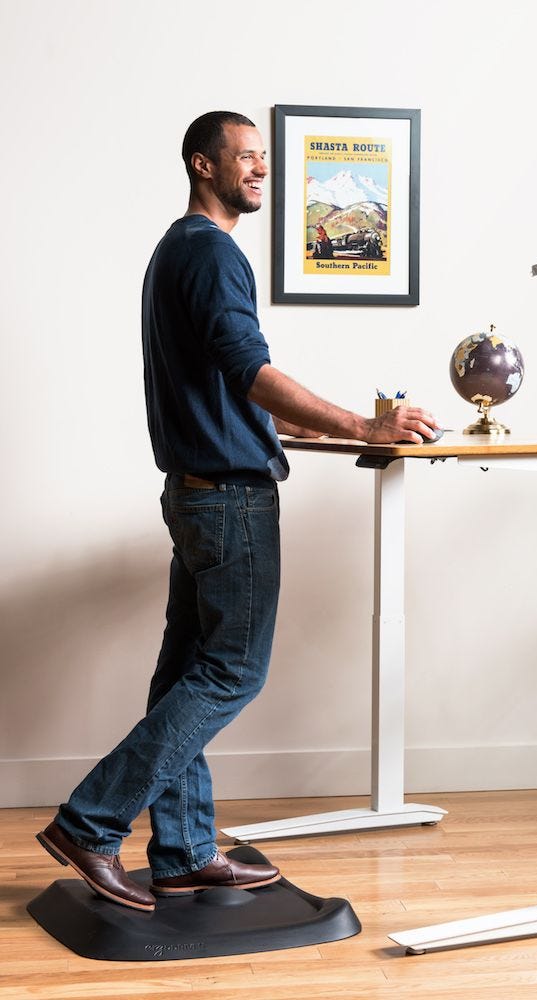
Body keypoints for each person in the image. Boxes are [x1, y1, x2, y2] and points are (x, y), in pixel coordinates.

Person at [36, 111, 440, 912]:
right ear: (202, 165)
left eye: (263, 158)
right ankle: (90, 822)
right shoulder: (211, 252)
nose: (259, 169)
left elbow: (216, 383)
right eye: (243, 158)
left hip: (194, 491)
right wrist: (363, 426)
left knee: (187, 672)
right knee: (231, 672)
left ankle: (183, 851)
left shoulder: (176, 250)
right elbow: (249, 369)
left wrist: (294, 426)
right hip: (228, 500)